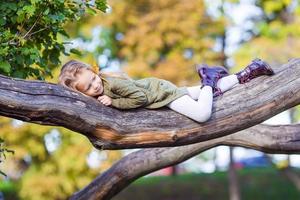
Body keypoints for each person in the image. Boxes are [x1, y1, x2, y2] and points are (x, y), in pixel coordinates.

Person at [58, 59, 274, 123]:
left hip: (162, 94)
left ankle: (209, 78)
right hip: (159, 88)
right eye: (88, 87)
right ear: (81, 93)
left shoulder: (111, 86)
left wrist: (114, 103)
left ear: (95, 72)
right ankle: (251, 70)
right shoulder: (101, 90)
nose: (95, 85)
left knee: (202, 114)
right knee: (201, 93)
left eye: (94, 78)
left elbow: (140, 98)